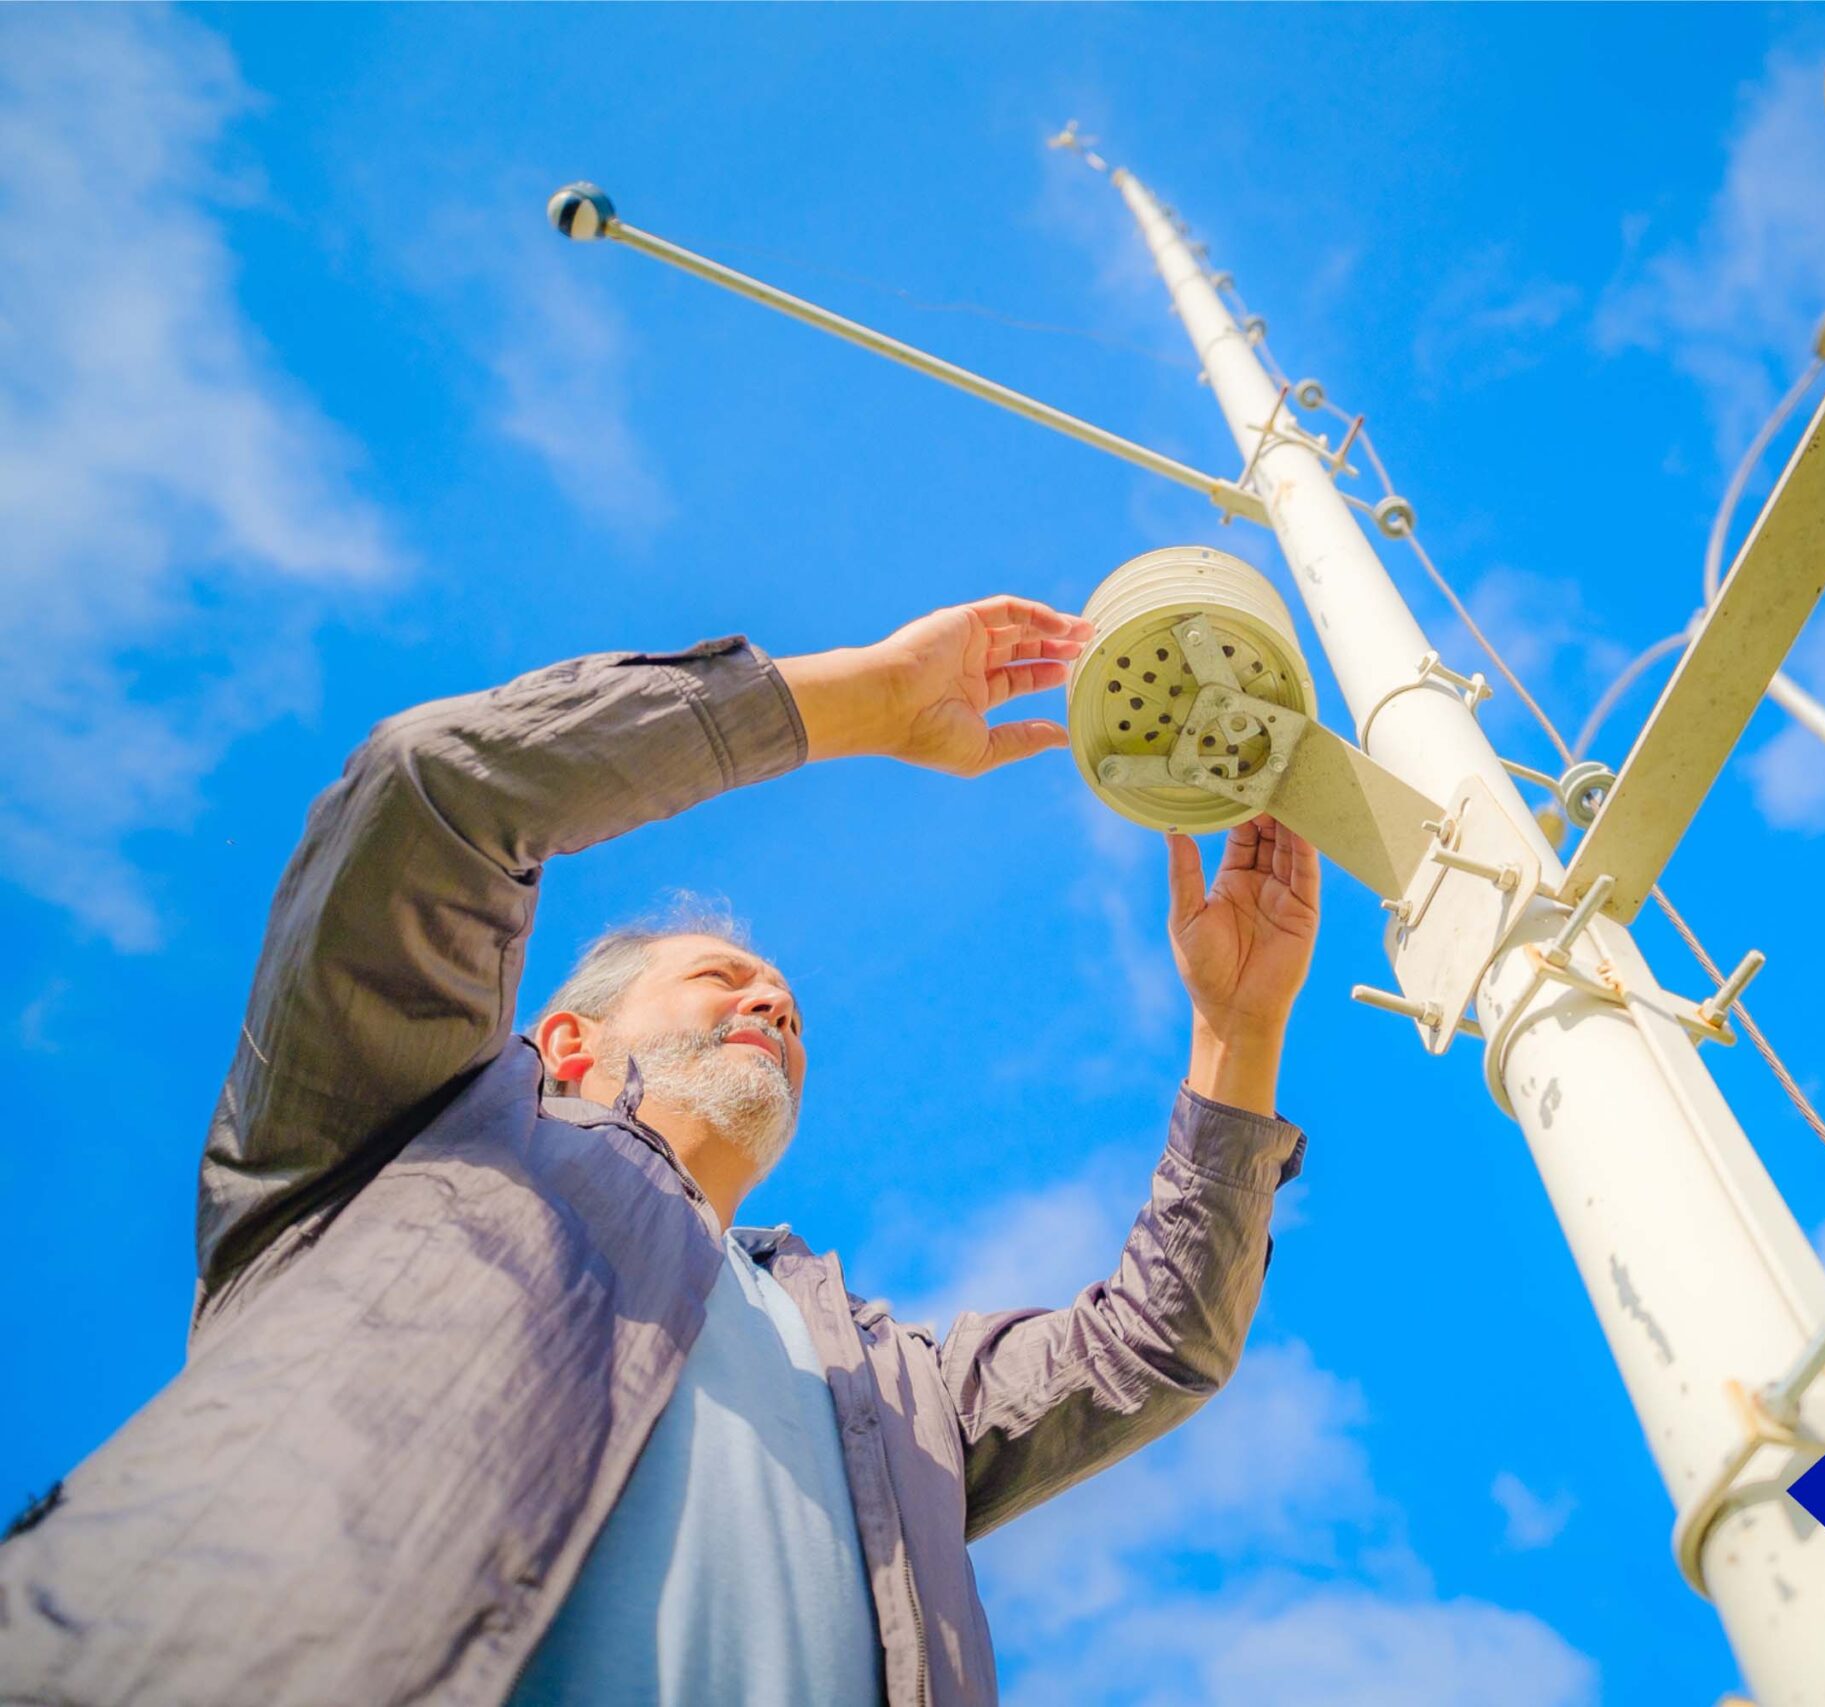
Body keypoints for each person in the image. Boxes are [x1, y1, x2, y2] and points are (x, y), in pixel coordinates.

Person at [0, 595, 1322, 1707]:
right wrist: (864, 700)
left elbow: (1152, 1350)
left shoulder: (890, 1384)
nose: (775, 1009)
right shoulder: (406, 1132)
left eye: (788, 1009)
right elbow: (434, 788)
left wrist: (1237, 1030)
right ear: (567, 1045)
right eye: (722, 979)